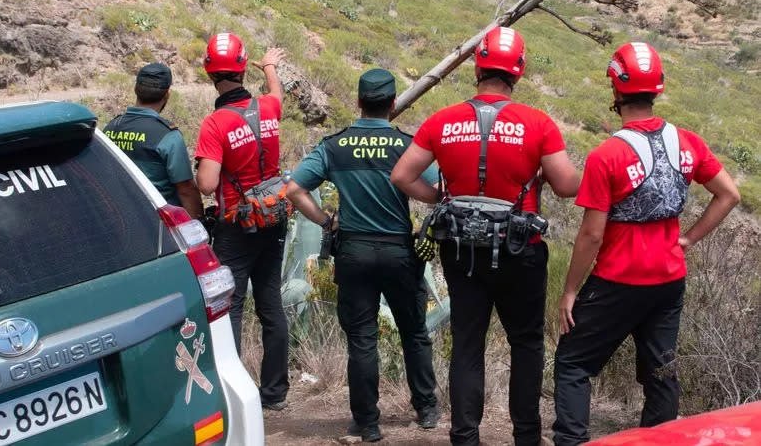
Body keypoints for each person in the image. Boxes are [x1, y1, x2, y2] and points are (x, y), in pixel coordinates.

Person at [391, 26, 580, 446]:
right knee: (526, 344)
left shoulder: (443, 121)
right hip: (521, 251)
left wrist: (439, 196)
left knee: (468, 344)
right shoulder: (537, 123)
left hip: (462, 250)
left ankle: (465, 437)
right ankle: (526, 437)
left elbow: (402, 175)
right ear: (519, 70)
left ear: (478, 67)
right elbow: (568, 185)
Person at [552, 42, 741, 446]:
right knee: (660, 371)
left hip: (619, 278)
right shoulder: (687, 142)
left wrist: (570, 291)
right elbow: (729, 195)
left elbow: (591, 234)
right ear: (656, 89)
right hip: (669, 277)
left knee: (572, 364)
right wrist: (687, 238)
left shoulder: (608, 154)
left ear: (616, 91)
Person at [287, 69, 440, 443]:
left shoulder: (335, 146)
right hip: (399, 252)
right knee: (414, 331)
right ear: (391, 104)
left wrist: (326, 221)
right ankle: (427, 409)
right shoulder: (408, 145)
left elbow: (294, 189)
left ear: (358, 102)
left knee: (362, 339)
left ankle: (367, 424)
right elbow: (439, 188)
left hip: (353, 251)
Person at [194, 32, 290, 410]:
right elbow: (277, 97)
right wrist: (269, 67)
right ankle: (275, 393)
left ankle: (236, 395)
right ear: (241, 67)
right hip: (275, 216)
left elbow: (207, 184)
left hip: (237, 224)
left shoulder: (215, 124)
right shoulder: (267, 108)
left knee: (231, 305)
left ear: (209, 73)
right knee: (271, 304)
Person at [104, 62, 202, 218]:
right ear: (167, 95)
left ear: (136, 90)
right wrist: (199, 222)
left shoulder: (110, 128)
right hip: (161, 223)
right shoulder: (168, 136)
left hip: (122, 216)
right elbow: (186, 190)